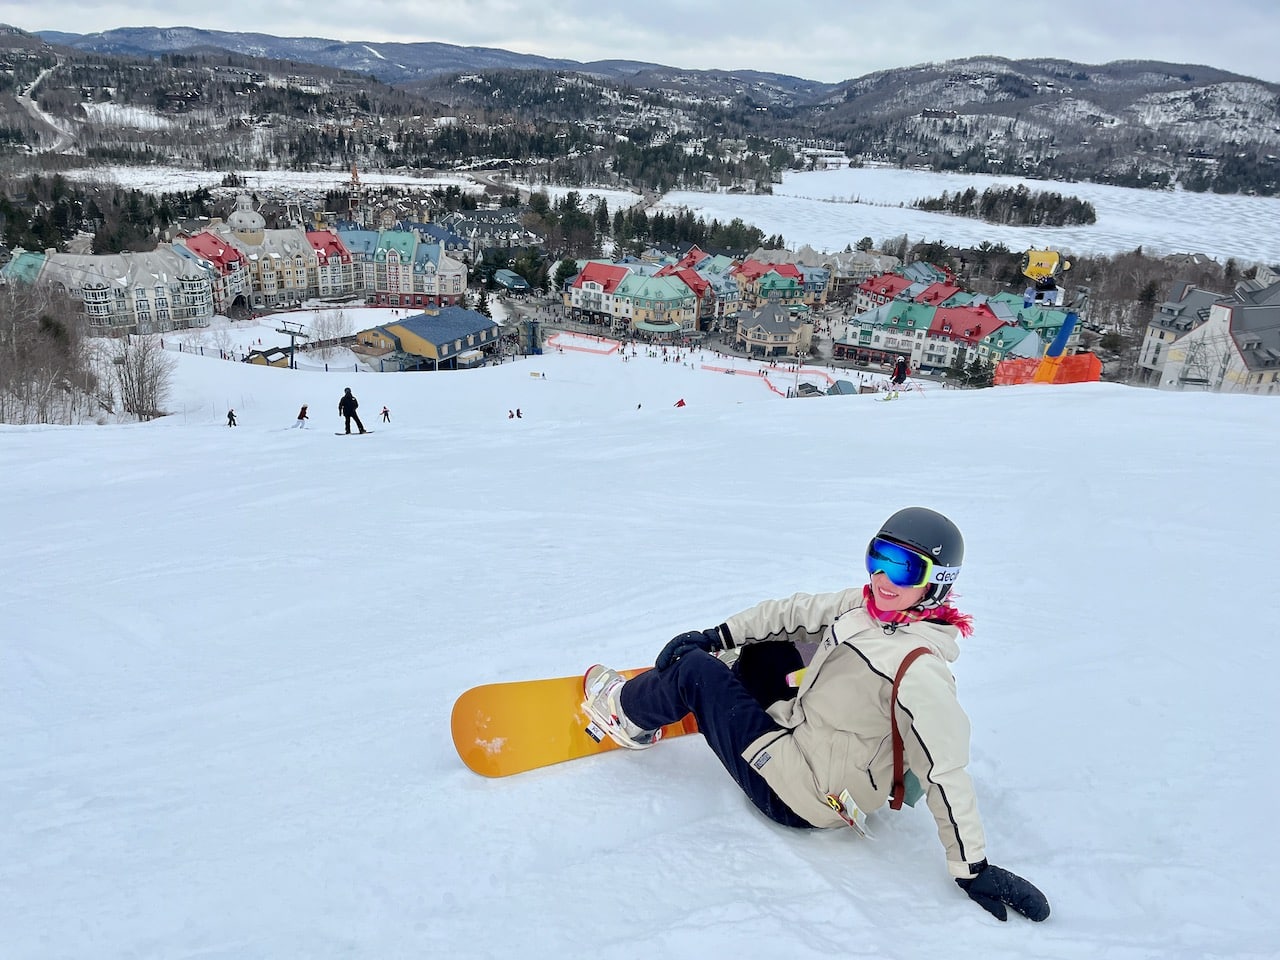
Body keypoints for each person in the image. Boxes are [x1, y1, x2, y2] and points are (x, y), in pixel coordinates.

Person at [582, 507, 1050, 923]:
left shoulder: (919, 671)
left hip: (800, 795)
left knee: (695, 674)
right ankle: (718, 682)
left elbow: (946, 770)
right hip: (805, 737)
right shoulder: (866, 608)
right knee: (769, 648)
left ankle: (623, 714)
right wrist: (717, 635)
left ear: (937, 582)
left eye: (906, 569)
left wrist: (972, 868)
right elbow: (794, 611)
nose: (885, 579)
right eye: (879, 558)